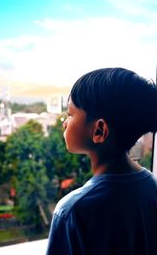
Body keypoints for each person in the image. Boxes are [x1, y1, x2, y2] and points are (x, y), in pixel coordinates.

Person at [46, 68, 157, 255]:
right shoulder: (153, 189)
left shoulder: (73, 212)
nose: (64, 123)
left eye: (71, 114)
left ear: (99, 131)